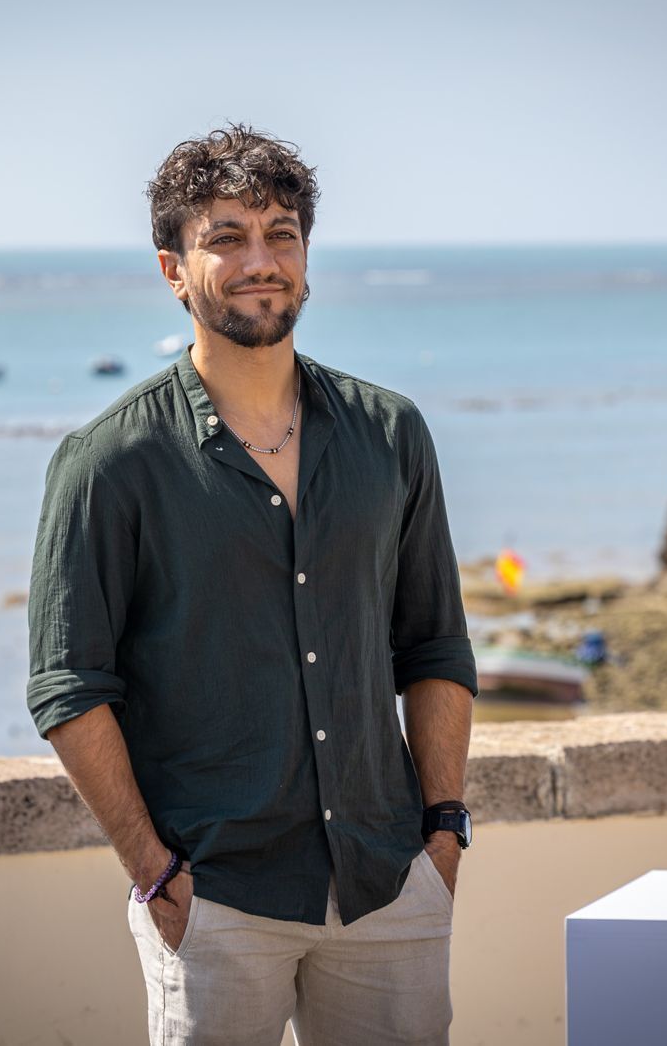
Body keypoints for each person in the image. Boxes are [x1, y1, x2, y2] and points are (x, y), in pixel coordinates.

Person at [27, 124, 477, 1046]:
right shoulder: (109, 463)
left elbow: (433, 644)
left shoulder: (391, 434)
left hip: (389, 884)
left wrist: (442, 834)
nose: (260, 260)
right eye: (225, 237)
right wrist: (154, 871)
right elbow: (68, 687)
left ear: (308, 256)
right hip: (215, 899)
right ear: (173, 269)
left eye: (281, 233)